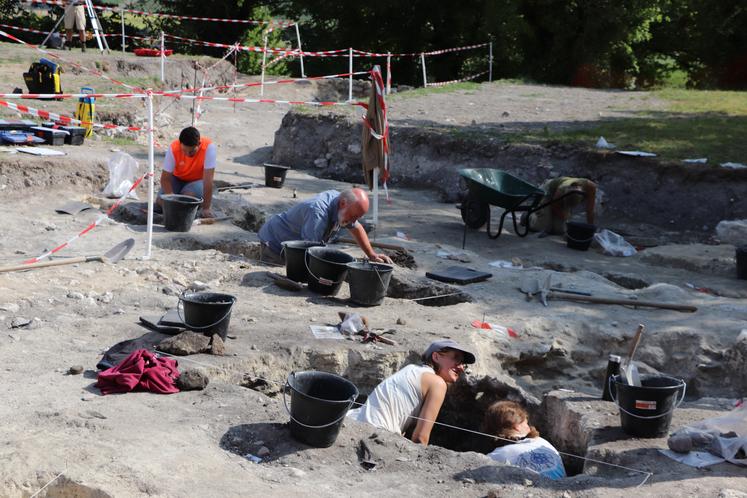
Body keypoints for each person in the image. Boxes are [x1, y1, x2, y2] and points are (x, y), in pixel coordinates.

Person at [347, 339, 476, 445]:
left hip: (354, 423)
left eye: (463, 363)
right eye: (456, 359)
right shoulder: (438, 383)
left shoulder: (411, 369)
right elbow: (420, 438)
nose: (460, 367)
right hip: (374, 436)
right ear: (436, 356)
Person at [258, 188, 393, 264]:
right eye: (353, 216)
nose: (353, 220)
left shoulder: (343, 205)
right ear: (343, 204)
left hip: (295, 243)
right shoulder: (317, 213)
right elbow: (310, 251)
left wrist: (372, 255)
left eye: (356, 217)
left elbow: (356, 228)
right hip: (275, 244)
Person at [483, 400, 566, 480]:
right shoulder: (542, 442)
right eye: (526, 423)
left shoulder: (495, 456)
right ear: (517, 426)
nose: (529, 426)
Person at [158, 126, 216, 218]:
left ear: (199, 144)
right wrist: (171, 198)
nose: (188, 154)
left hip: (197, 181)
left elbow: (208, 181)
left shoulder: (209, 148)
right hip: (177, 179)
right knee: (161, 201)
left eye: (192, 151)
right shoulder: (173, 148)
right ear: (180, 143)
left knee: (187, 199)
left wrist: (206, 208)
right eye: (184, 150)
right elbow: (165, 179)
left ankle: (193, 206)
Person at [527, 177, 597, 235]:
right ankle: (529, 215)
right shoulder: (561, 189)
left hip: (560, 199)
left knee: (559, 231)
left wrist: (590, 229)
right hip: (547, 194)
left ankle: (549, 220)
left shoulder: (590, 187)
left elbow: (590, 210)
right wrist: (565, 218)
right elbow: (554, 206)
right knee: (541, 227)